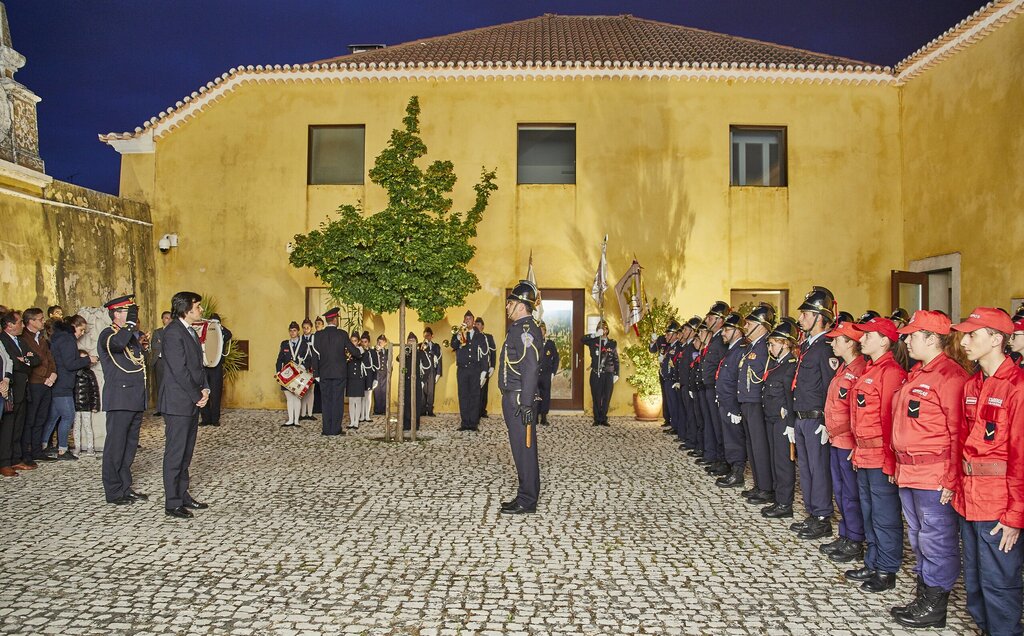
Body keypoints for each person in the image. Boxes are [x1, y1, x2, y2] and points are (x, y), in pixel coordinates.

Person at [887, 310, 970, 628]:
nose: (906, 341)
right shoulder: (918, 373)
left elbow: (958, 433)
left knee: (937, 539)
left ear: (933, 339)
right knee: (919, 536)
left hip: (934, 473)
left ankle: (936, 603)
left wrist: (951, 478)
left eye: (912, 336)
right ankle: (925, 593)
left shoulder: (950, 376)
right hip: (910, 471)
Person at [952, 308, 1024, 636]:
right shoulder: (972, 385)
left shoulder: (1017, 386)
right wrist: (956, 485)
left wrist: (1015, 514)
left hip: (998, 501)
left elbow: (1020, 455)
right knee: (975, 579)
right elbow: (962, 442)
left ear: (996, 339)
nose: (964, 341)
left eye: (972, 335)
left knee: (999, 580)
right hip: (969, 496)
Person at [844, 316, 908, 593]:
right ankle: (872, 562)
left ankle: (886, 569)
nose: (862, 339)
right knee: (869, 511)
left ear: (884, 341)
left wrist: (891, 461)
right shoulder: (870, 369)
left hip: (880, 456)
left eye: (868, 335)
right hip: (865, 453)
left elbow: (889, 420)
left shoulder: (890, 372)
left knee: (884, 515)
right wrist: (857, 448)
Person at [790, 287, 841, 541]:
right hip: (802, 416)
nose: (801, 319)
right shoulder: (809, 346)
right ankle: (812, 512)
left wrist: (826, 421)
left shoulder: (826, 347)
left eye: (806, 314)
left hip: (816, 418)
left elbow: (831, 387)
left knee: (818, 469)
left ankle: (822, 517)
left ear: (820, 317)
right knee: (807, 469)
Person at [818, 313, 868, 564]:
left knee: (850, 493)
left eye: (838, 340)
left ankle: (855, 539)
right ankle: (846, 533)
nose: (833, 343)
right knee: (840, 490)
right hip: (836, 439)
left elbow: (857, 412)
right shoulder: (844, 368)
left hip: (847, 441)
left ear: (851, 343)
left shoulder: (859, 370)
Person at [160, 291, 211, 519]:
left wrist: (205, 388)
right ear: (186, 309)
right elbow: (179, 370)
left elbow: (198, 366)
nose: (201, 310)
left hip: (190, 400)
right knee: (176, 453)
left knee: (186, 452)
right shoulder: (173, 332)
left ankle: (182, 494)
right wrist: (196, 394)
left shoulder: (189, 331)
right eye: (198, 306)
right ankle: (172, 502)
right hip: (178, 402)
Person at [97, 295, 149, 505]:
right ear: (116, 314)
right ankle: (113, 490)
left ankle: (125, 486)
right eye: (128, 312)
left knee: (129, 447)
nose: (133, 317)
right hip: (119, 398)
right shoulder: (108, 334)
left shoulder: (130, 336)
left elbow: (137, 362)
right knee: (116, 447)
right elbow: (118, 345)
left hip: (134, 397)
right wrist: (129, 325)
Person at [498, 280, 543, 515]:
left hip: (518, 399)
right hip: (515, 396)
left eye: (511, 302)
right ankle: (525, 494)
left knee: (524, 448)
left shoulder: (524, 330)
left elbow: (531, 368)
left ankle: (527, 499)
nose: (507, 306)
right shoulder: (520, 328)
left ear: (521, 305)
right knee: (520, 448)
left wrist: (525, 404)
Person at [760, 318, 800, 519]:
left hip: (783, 421)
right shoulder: (778, 365)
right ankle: (778, 498)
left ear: (785, 344)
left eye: (773, 344)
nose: (770, 348)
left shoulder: (790, 365)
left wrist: (791, 424)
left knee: (783, 462)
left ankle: (785, 503)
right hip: (772, 418)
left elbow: (790, 397)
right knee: (775, 459)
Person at [738, 303, 776, 505]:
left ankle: (766, 488)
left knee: (760, 446)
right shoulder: (752, 346)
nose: (745, 326)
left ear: (761, 326)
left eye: (750, 323)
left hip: (756, 402)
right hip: (747, 400)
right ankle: (759, 484)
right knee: (752, 445)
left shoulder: (765, 347)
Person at [45, 315, 97, 459]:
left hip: (60, 382)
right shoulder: (68, 340)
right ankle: (62, 449)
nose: (82, 334)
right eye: (81, 330)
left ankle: (42, 445)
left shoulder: (60, 338)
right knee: (68, 416)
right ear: (74, 326)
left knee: (53, 417)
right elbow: (70, 364)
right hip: (63, 383)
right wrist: (88, 359)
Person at [312, 307, 361, 436]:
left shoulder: (318, 335)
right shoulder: (342, 334)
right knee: (337, 401)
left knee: (326, 401)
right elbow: (353, 351)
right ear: (334, 320)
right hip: (339, 373)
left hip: (324, 373)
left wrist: (316, 373)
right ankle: (335, 429)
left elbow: (314, 355)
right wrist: (360, 352)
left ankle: (326, 429)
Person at [715, 312, 749, 489]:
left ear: (738, 331)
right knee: (728, 437)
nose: (723, 333)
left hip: (732, 403)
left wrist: (735, 407)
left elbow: (739, 380)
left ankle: (737, 472)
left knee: (735, 438)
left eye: (727, 330)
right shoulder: (732, 349)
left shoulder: (741, 349)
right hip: (726, 401)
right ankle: (731, 467)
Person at [1, 311, 37, 474]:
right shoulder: (3, 339)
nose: (23, 325)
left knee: (18, 426)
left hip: (22, 388)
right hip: (10, 389)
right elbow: (13, 363)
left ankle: (16, 458)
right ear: (9, 325)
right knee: (8, 427)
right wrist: (24, 363)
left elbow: (35, 359)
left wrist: (25, 360)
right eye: (20, 322)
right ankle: (5, 461)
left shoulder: (21, 340)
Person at [20, 308, 57, 461]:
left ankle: (37, 450)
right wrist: (44, 376)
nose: (43, 321)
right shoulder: (23, 338)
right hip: (34, 383)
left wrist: (53, 374)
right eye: (40, 319)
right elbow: (29, 362)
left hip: (47, 383)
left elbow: (50, 358)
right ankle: (26, 452)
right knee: (30, 419)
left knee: (41, 418)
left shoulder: (41, 338)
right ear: (31, 321)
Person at [699, 301, 730, 476]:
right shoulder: (715, 338)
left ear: (719, 320)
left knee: (719, 426)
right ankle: (717, 458)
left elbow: (723, 365)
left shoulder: (721, 340)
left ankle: (724, 460)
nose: (707, 320)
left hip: (716, 388)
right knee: (713, 424)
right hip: (709, 387)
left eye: (710, 318)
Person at [452, 311, 487, 431]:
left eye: (470, 319)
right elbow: (453, 345)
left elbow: (484, 354)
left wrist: (484, 371)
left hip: (475, 369)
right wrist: (458, 336)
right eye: (466, 319)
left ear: (473, 321)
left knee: (475, 396)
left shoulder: (480, 336)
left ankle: (473, 423)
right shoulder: (458, 333)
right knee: (463, 396)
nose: (467, 321)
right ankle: (465, 423)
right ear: (463, 320)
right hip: (462, 370)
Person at [581, 319, 619, 427]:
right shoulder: (593, 341)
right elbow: (582, 339)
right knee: (596, 396)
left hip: (608, 373)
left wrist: (617, 373)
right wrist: (595, 335)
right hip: (596, 372)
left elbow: (616, 359)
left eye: (604, 328)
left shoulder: (612, 343)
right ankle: (597, 419)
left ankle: (604, 418)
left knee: (606, 397)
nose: (603, 330)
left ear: (607, 330)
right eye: (600, 328)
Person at [200, 313, 231, 426]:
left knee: (216, 393)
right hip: (204, 366)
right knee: (203, 391)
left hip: (216, 367)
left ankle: (215, 419)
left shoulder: (222, 332)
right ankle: (205, 419)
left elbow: (229, 335)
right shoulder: (204, 330)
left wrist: (219, 326)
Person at [276, 321, 308, 427]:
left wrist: (304, 366)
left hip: (299, 374)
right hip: (287, 374)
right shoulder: (284, 344)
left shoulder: (304, 344)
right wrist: (278, 372)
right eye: (290, 330)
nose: (292, 332)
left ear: (298, 331)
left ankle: (296, 420)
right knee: (289, 398)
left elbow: (309, 359)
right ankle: (290, 420)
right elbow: (279, 360)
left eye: (294, 330)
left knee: (297, 397)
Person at [72, 344, 101, 456]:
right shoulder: (73, 373)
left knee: (88, 427)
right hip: (75, 405)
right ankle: (77, 447)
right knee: (76, 428)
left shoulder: (90, 373)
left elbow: (95, 390)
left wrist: (95, 405)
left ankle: (90, 447)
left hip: (86, 405)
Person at [401, 333, 426, 431]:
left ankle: (415, 424)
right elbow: (401, 364)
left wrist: (422, 380)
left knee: (416, 403)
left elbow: (427, 367)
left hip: (416, 381)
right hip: (406, 381)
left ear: (416, 342)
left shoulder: (420, 353)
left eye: (413, 340)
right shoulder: (405, 352)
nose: (411, 342)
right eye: (409, 340)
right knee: (406, 402)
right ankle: (406, 424)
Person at [537, 321, 560, 426]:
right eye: (539, 330)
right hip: (535, 374)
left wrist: (553, 372)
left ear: (545, 332)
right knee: (535, 395)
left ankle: (544, 417)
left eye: (542, 330)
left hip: (546, 374)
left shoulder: (550, 344)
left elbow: (556, 358)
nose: (540, 332)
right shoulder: (533, 343)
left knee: (545, 395)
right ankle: (535, 417)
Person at [150, 311, 171, 416]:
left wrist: (161, 342)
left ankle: (170, 408)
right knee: (159, 385)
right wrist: (164, 343)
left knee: (171, 385)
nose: (169, 320)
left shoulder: (175, 332)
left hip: (171, 362)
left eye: (170, 318)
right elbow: (154, 345)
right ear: (162, 319)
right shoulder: (157, 332)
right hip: (159, 361)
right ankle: (160, 409)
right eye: (166, 318)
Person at [476, 317, 496, 419]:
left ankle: (482, 410)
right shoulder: (471, 337)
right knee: (474, 390)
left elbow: (493, 352)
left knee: (484, 390)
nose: (476, 326)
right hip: (474, 367)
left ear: (483, 326)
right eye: (475, 324)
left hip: (485, 366)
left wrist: (492, 366)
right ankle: (475, 410)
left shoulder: (488, 337)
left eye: (478, 324)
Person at [346, 334, 366, 430]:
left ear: (358, 342)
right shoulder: (347, 351)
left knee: (358, 400)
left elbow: (359, 357)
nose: (353, 342)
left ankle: (356, 421)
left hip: (358, 378)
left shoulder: (360, 350)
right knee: (351, 400)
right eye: (351, 341)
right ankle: (352, 421)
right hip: (350, 378)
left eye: (355, 341)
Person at [299, 318, 317, 420]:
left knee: (311, 390)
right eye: (304, 328)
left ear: (311, 328)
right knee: (302, 389)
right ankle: (302, 413)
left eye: (308, 328)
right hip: (302, 366)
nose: (306, 330)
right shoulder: (300, 339)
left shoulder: (315, 338)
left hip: (312, 367)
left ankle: (310, 413)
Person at [421, 328, 441, 416]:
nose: (426, 337)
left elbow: (439, 359)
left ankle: (430, 410)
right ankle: (422, 410)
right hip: (423, 371)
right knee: (422, 391)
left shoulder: (436, 346)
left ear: (432, 336)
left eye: (428, 335)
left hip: (432, 371)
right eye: (425, 335)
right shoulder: (420, 345)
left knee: (431, 392)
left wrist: (438, 373)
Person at [360, 331, 378, 423]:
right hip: (361, 376)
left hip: (370, 376)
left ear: (369, 342)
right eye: (362, 342)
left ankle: (367, 415)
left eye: (365, 341)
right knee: (361, 396)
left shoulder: (373, 352)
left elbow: (376, 366)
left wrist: (375, 379)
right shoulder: (359, 351)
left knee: (368, 396)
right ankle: (361, 415)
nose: (364, 344)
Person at [373, 334, 391, 415]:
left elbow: (390, 362)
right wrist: (377, 351)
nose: (380, 343)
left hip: (385, 373)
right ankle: (377, 410)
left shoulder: (388, 351)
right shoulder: (374, 350)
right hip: (377, 373)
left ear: (385, 343)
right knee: (377, 391)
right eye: (379, 341)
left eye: (382, 341)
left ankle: (384, 410)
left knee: (384, 391)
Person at [312, 316, 325, 415]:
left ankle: (322, 407)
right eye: (316, 324)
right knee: (315, 387)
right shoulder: (313, 336)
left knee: (323, 387)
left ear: (323, 325)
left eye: (319, 323)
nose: (317, 325)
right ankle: (316, 407)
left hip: (323, 363)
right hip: (315, 363)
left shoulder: (324, 335)